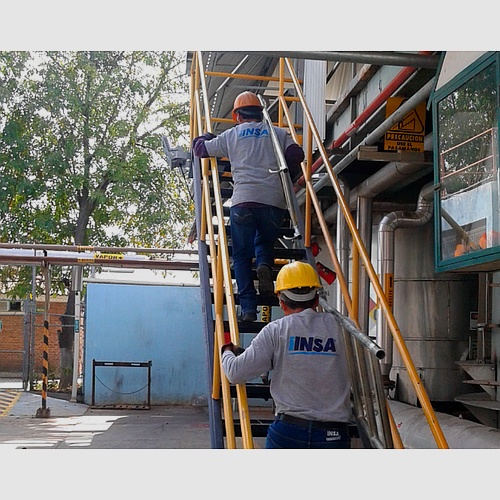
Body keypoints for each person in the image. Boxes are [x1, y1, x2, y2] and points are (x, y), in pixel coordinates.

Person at [192, 91, 305, 322]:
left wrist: (203, 136)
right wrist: (290, 179)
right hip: (274, 203)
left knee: (242, 256)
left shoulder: (232, 135)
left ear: (237, 115)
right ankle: (264, 264)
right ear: (260, 112)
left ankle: (248, 309)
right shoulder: (277, 133)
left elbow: (201, 150)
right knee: (264, 241)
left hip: (243, 201)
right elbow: (297, 154)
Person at [220, 260, 353, 449]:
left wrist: (226, 351)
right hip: (334, 434)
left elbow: (235, 373)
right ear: (316, 300)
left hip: (289, 432)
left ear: (281, 302)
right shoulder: (344, 327)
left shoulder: (276, 330)